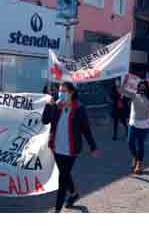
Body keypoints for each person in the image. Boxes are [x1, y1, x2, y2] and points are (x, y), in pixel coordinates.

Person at [42, 82, 100, 213]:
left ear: (71, 92)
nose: (61, 93)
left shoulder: (79, 108)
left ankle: (57, 210)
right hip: (56, 148)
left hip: (71, 150)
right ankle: (73, 194)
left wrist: (93, 147)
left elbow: (86, 129)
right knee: (65, 174)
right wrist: (49, 105)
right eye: (60, 91)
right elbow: (45, 120)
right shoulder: (56, 106)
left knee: (62, 179)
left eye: (64, 91)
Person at [119, 77, 149, 175]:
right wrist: (124, 82)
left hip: (144, 125)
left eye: (144, 87)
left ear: (146, 88)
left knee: (140, 145)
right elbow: (121, 90)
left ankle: (139, 164)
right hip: (133, 124)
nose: (142, 89)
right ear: (138, 88)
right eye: (140, 87)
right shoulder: (134, 95)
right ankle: (135, 156)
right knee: (130, 143)